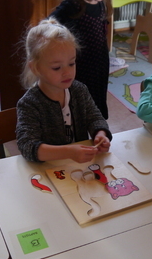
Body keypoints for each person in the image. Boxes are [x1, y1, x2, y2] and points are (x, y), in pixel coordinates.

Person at [16, 18, 112, 163]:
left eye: (71, 63)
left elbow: (95, 118)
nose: (67, 73)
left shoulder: (79, 90)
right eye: (57, 67)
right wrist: (68, 152)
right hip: (50, 171)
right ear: (36, 68)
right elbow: (27, 146)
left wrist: (100, 133)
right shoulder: (29, 104)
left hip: (79, 167)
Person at [50, 0, 122, 119]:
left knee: (95, 115)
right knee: (77, 119)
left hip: (98, 71)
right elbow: (46, 29)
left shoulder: (101, 4)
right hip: (78, 77)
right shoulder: (71, 8)